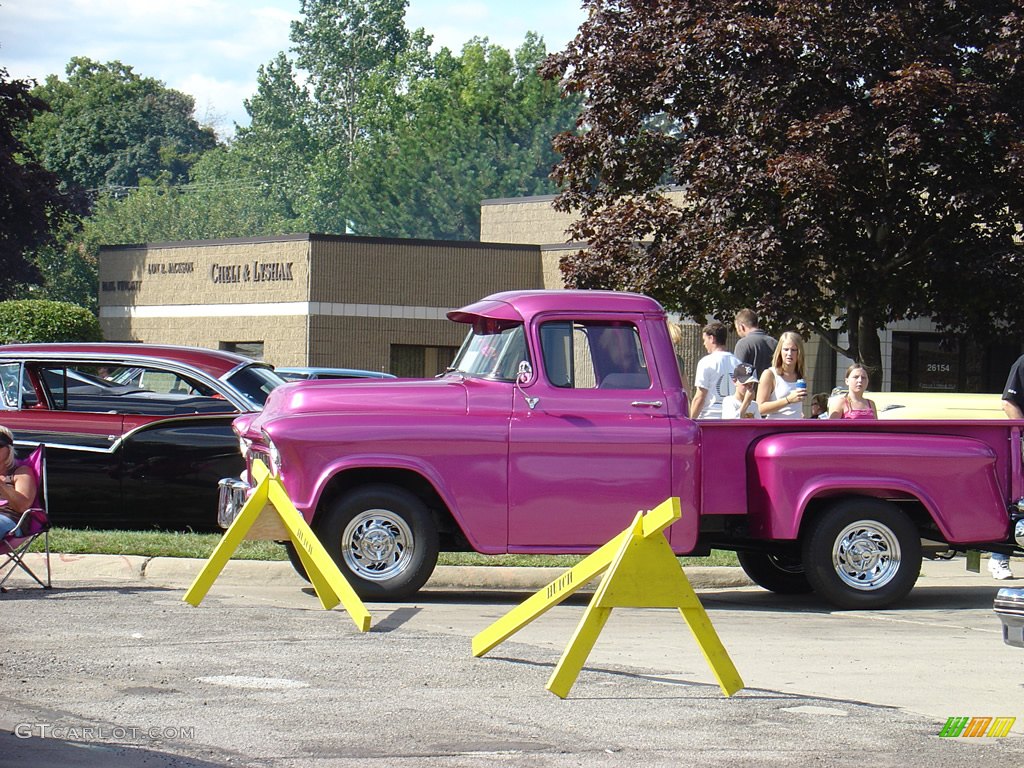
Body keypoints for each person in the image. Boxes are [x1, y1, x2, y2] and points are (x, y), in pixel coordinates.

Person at [993, 354, 1024, 579]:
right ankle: (998, 559)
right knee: (1016, 503)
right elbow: (1008, 402)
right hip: (1021, 446)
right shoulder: (1022, 363)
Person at [690, 321, 741, 419]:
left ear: (711, 338)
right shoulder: (738, 362)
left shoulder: (705, 362)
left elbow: (700, 397)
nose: (704, 344)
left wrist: (691, 420)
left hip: (710, 417)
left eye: (704, 340)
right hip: (732, 417)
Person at [756, 331, 807, 419]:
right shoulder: (770, 374)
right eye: (786, 349)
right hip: (777, 428)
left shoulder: (801, 375)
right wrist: (788, 400)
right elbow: (759, 408)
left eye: (794, 350)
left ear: (799, 352)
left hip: (796, 428)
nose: (789, 354)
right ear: (780, 351)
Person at [0, 426, 38, 540]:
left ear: (9, 449)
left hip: (9, 519)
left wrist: (2, 486)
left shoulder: (21, 472)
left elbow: (22, 506)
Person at [734, 308, 777, 378]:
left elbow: (739, 375)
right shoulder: (774, 343)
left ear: (741, 327)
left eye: (737, 329)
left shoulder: (743, 344)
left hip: (751, 388)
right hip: (773, 388)